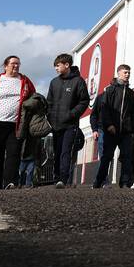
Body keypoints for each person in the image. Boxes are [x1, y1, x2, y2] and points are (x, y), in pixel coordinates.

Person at [0, 56, 37, 189]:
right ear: (5, 66)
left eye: (18, 64)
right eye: (13, 64)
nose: (16, 66)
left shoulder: (25, 81)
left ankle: (10, 182)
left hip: (16, 125)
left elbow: (34, 97)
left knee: (14, 154)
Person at [46, 53, 90, 187]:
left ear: (67, 65)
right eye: (55, 66)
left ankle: (63, 179)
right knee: (57, 151)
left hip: (70, 124)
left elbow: (84, 101)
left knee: (66, 151)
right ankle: (57, 177)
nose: (56, 68)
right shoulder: (54, 82)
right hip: (55, 124)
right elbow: (49, 102)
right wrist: (50, 117)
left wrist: (72, 114)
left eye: (58, 65)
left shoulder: (79, 81)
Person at [91, 64, 134, 188]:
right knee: (107, 157)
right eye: (125, 72)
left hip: (125, 131)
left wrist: (131, 129)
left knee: (127, 156)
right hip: (111, 131)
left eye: (129, 72)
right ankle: (98, 182)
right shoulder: (110, 90)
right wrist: (109, 124)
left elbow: (133, 112)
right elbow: (104, 110)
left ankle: (126, 182)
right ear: (119, 73)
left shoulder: (131, 93)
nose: (127, 74)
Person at [18, 91, 49, 188]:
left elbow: (28, 104)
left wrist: (21, 104)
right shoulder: (43, 104)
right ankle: (28, 183)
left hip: (29, 135)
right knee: (31, 164)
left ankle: (21, 183)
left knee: (24, 164)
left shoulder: (33, 101)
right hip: (35, 136)